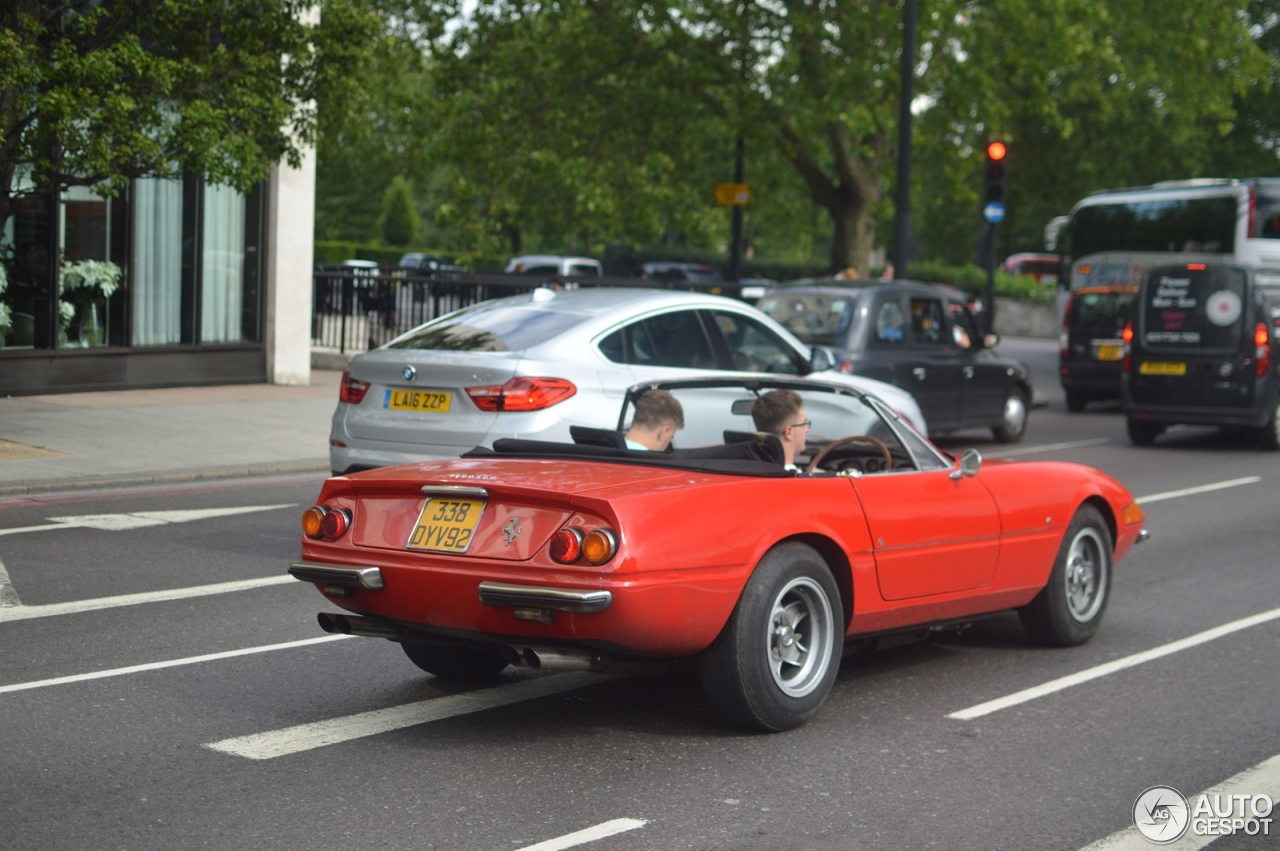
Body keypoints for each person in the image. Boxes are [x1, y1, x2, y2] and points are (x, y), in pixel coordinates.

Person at [751, 389, 810, 470]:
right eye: (804, 424)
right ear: (789, 432)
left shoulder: (746, 472)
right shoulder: (801, 481)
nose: (806, 430)